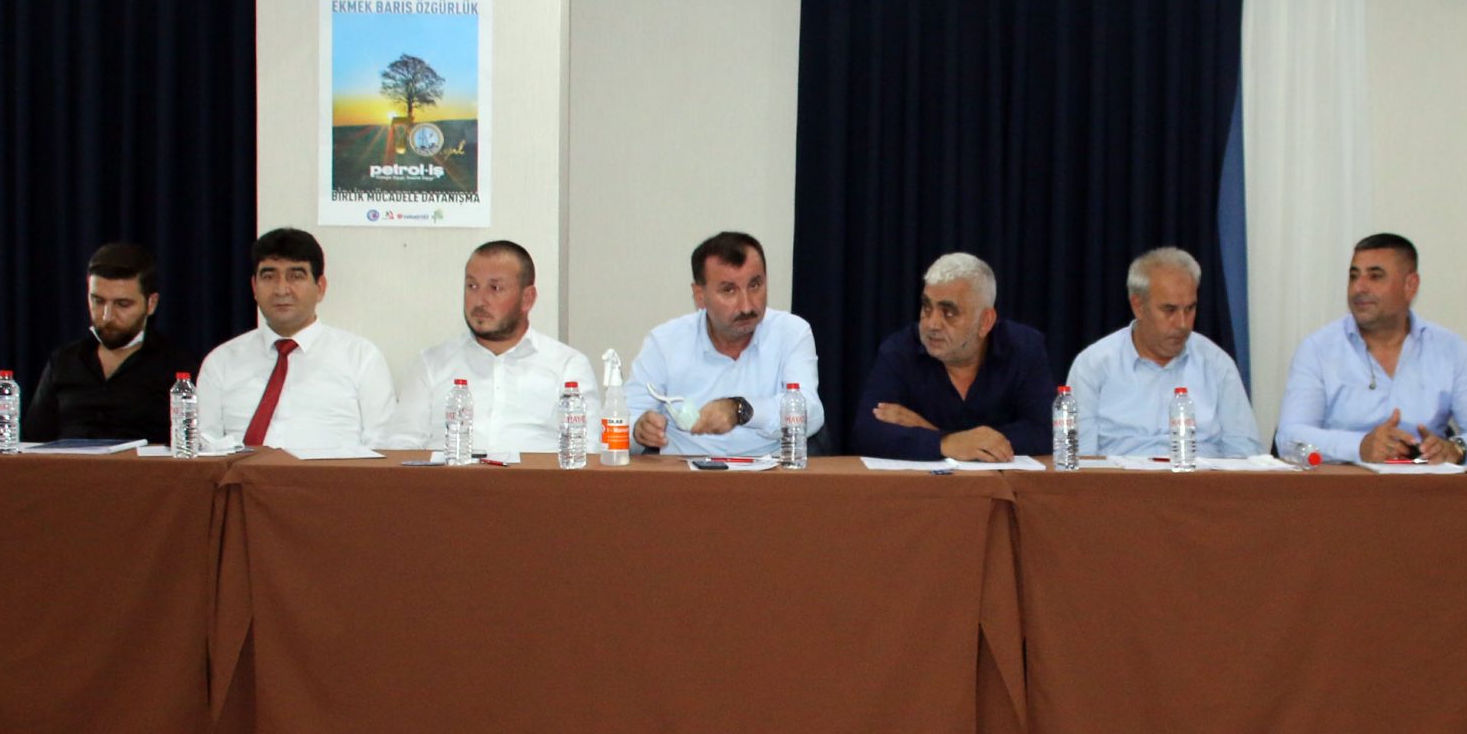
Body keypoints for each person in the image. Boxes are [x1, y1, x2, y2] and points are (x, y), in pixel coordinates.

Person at [1276, 233, 1467, 465]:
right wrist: (1359, 447)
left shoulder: (1450, 350)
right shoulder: (1318, 350)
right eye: (1353, 276)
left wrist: (1457, 449)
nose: (1358, 288)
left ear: (1410, 285)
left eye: (1375, 276)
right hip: (1345, 483)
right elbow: (1289, 437)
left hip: (1425, 483)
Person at [193, 227, 394, 452]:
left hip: (332, 474)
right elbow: (203, 446)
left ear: (320, 288)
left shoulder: (360, 357)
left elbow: (384, 446)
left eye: (295, 276)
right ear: (254, 287)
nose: (281, 290)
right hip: (243, 475)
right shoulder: (221, 362)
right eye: (269, 277)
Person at [382, 240, 592, 454]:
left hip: (536, 475)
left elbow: (589, 450)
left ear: (527, 298)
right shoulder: (432, 364)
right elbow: (401, 445)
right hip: (449, 475)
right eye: (472, 286)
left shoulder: (567, 365)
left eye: (495, 288)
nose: (480, 300)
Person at [625, 231, 823, 457]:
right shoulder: (664, 343)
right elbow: (623, 421)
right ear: (700, 295)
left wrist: (741, 410)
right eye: (729, 290)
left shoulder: (791, 332)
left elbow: (811, 413)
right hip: (684, 473)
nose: (747, 306)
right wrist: (638, 430)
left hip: (771, 471)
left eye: (755, 285)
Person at [851, 252, 1053, 462]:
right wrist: (948, 443)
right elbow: (866, 434)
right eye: (927, 308)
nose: (932, 324)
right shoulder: (900, 351)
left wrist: (941, 436)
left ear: (985, 322)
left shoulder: (1023, 348)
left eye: (948, 313)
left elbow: (1047, 432)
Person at [1066, 247, 1259, 459]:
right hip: (1121, 478)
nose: (1183, 324)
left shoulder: (1217, 364)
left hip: (1198, 477)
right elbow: (1079, 458)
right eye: (1170, 310)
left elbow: (1244, 452)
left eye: (1190, 309)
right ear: (1138, 306)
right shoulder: (1093, 365)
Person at [23, 242, 201, 443]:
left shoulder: (176, 367)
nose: (107, 316)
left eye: (122, 304)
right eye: (98, 301)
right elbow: (32, 441)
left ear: (151, 304)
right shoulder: (63, 361)